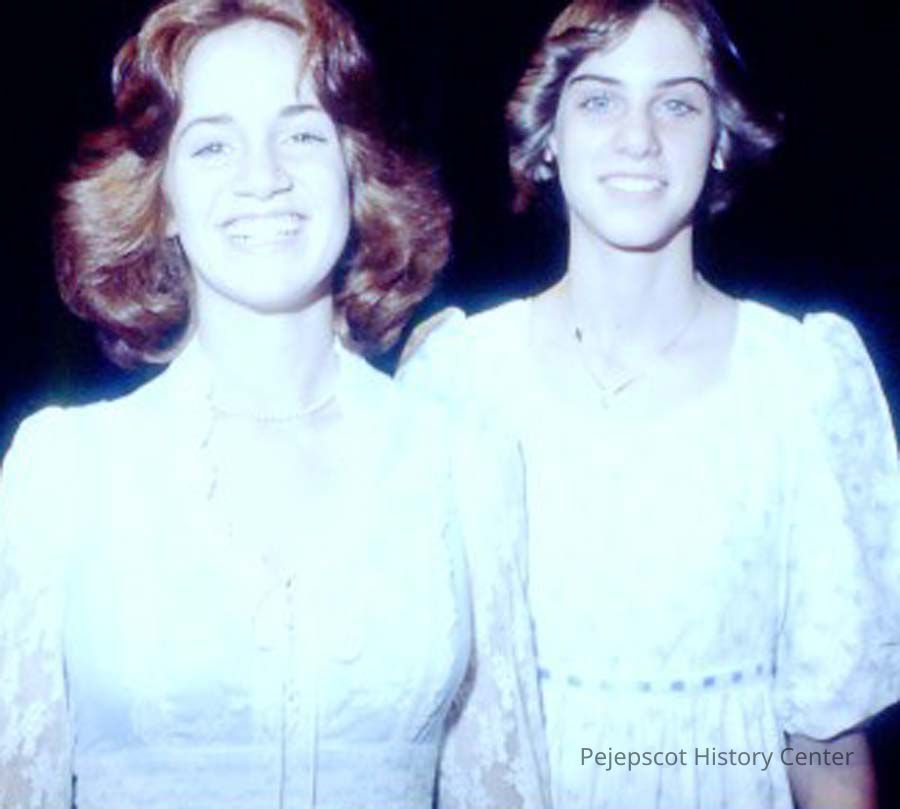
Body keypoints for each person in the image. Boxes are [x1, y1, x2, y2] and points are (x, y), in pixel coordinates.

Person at [0, 1, 550, 806]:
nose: (263, 177)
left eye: (301, 135)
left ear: (353, 171)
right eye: (213, 144)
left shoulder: (464, 464)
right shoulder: (64, 471)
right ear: (163, 198)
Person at [399, 0, 900, 807]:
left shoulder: (798, 383)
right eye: (599, 99)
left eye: (677, 104)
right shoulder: (458, 380)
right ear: (549, 134)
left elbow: (829, 749)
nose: (638, 137)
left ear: (721, 138)